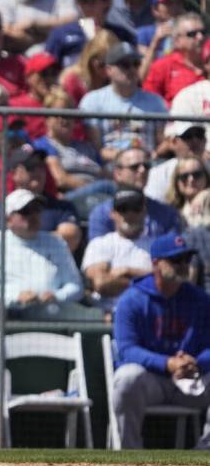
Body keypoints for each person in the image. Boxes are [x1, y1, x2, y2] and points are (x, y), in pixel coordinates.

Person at [112, 232, 210, 449]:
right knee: (127, 378)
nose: (183, 265)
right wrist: (167, 363)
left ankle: (205, 455)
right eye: (175, 260)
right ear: (156, 263)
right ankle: (129, 456)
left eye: (186, 259)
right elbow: (128, 350)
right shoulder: (132, 300)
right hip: (151, 380)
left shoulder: (200, 299)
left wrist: (197, 362)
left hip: (192, 379)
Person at [0, 188, 83, 309]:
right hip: (6, 316)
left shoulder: (56, 242)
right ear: (8, 219)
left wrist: (57, 296)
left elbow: (75, 286)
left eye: (36, 210)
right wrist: (15, 297)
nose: (33, 215)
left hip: (50, 317)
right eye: (25, 211)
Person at [79, 42, 168, 160]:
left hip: (147, 165)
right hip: (110, 167)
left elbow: (161, 141)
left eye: (136, 64)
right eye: (125, 65)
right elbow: (97, 149)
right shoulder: (92, 101)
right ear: (109, 70)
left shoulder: (156, 102)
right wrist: (124, 158)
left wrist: (153, 155)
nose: (131, 69)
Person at [0, 146, 82, 252]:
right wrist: (48, 236)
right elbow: (1, 242)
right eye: (30, 167)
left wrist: (26, 236)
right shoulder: (1, 207)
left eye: (41, 166)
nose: (38, 171)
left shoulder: (63, 207)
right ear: (14, 173)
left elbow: (69, 238)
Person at [82, 188, 154, 312]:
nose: (129, 215)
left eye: (135, 209)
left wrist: (128, 271)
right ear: (112, 213)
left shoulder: (156, 245)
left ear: (144, 212)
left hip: (147, 313)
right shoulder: (100, 244)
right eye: (123, 209)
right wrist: (147, 279)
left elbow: (165, 281)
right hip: (108, 314)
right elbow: (101, 283)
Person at [88, 147, 182, 240]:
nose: (142, 170)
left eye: (146, 166)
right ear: (118, 173)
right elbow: (99, 251)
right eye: (134, 167)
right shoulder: (102, 214)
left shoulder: (166, 213)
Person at [45, 0, 136, 68]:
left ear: (107, 2)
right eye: (83, 1)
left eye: (92, 1)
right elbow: (48, 70)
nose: (87, 6)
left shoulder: (120, 34)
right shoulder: (61, 34)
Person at [34, 88, 109, 194]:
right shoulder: (44, 145)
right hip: (74, 198)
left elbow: (106, 174)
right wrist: (94, 189)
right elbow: (61, 180)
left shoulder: (87, 147)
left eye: (69, 114)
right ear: (47, 118)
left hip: (101, 196)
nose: (65, 120)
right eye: (59, 114)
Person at [142, 12, 205, 107]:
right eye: (192, 34)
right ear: (177, 40)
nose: (200, 37)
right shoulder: (163, 65)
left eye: (203, 32)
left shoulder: (207, 63)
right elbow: (149, 99)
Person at [58, 28, 120, 105]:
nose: (107, 70)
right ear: (90, 60)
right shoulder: (74, 81)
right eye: (101, 65)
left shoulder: (120, 80)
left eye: (112, 64)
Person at [9, 52, 61, 140]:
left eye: (54, 73)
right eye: (44, 73)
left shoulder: (64, 103)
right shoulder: (16, 106)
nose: (49, 78)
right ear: (28, 77)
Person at [136, 0, 186, 76]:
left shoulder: (189, 33)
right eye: (169, 3)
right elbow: (143, 71)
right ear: (155, 9)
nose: (175, 7)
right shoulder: (143, 33)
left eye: (178, 3)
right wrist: (155, 41)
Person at [164, 155, 210, 225]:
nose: (191, 179)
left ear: (206, 177)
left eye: (197, 174)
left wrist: (205, 194)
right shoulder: (170, 210)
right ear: (176, 182)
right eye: (184, 176)